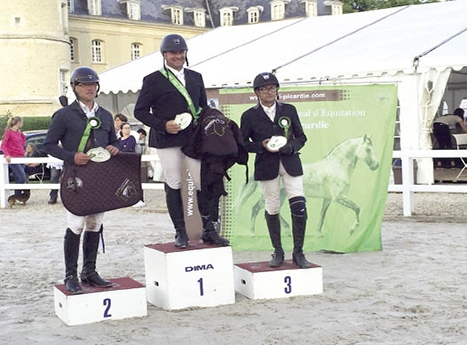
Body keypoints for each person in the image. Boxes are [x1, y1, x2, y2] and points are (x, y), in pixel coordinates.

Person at [134, 33, 228, 248]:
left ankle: (209, 229)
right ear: (164, 54)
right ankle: (180, 231)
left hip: (193, 138)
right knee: (174, 183)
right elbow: (140, 111)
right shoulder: (153, 79)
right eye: (173, 52)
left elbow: (203, 107)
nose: (177, 56)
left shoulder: (196, 77)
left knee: (202, 182)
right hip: (167, 138)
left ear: (185, 53)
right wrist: (162, 124)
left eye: (180, 52)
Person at [43, 66, 120, 294]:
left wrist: (114, 148)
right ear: (75, 87)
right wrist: (71, 157)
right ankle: (70, 275)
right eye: (84, 84)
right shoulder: (64, 115)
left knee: (95, 224)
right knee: (76, 225)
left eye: (93, 84)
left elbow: (113, 141)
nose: (89, 88)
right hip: (75, 175)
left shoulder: (105, 115)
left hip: (99, 176)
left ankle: (90, 271)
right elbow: (48, 144)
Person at [240, 72, 315, 269]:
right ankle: (278, 250)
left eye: (272, 88)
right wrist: (260, 145)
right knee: (272, 206)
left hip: (290, 161)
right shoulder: (249, 116)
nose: (269, 91)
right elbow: (243, 144)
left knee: (299, 204)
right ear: (257, 92)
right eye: (265, 89)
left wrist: (291, 147)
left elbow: (301, 137)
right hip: (266, 164)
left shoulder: (289, 110)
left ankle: (298, 252)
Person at [0, 116, 27, 196]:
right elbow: (3, 145)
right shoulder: (8, 132)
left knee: (18, 177)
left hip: (21, 156)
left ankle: (17, 195)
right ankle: (18, 194)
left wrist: (21, 149)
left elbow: (23, 138)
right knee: (22, 176)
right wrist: (7, 154)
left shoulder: (19, 132)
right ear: (18, 123)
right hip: (13, 157)